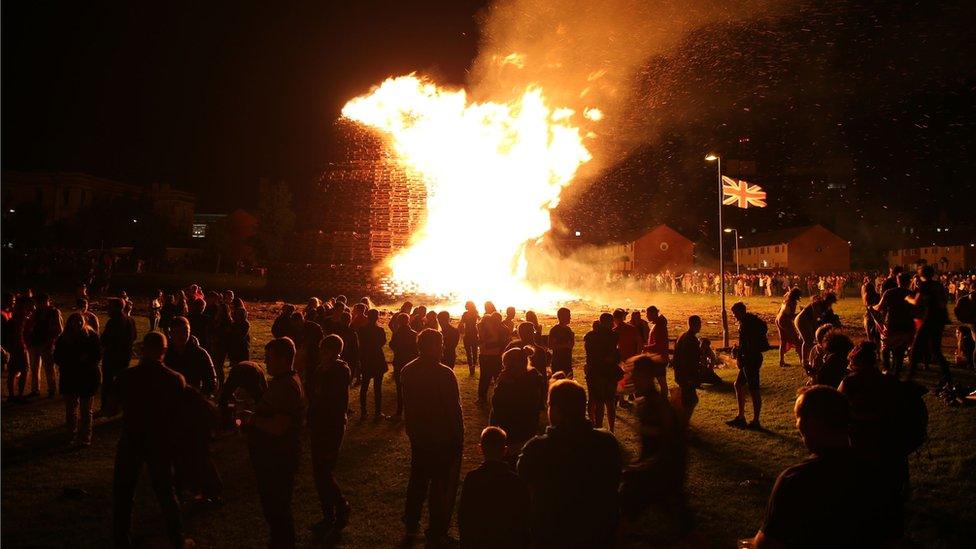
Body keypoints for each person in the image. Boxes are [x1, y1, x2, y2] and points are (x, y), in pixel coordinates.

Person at [753, 386, 903, 547]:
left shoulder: (796, 481)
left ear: (809, 424)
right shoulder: (880, 474)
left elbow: (766, 544)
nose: (796, 424)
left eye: (798, 417)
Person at [518, 380, 623, 548]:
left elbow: (525, 485)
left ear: (557, 410)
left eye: (549, 405)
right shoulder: (607, 443)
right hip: (598, 531)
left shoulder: (537, 449)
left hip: (553, 533)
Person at [110, 332, 189, 548]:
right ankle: (178, 539)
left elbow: (111, 409)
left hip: (131, 438)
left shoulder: (125, 377)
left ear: (143, 348)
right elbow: (180, 416)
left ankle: (121, 541)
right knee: (166, 493)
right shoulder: (175, 380)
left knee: (124, 495)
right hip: (159, 441)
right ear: (164, 351)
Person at [619, 357, 695, 541]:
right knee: (680, 520)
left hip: (662, 470)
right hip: (657, 469)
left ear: (646, 376)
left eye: (636, 374)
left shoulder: (658, 405)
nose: (632, 378)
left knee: (626, 503)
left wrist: (646, 466)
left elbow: (672, 439)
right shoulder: (646, 402)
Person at [400, 329, 464, 546]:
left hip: (418, 435)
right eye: (440, 343)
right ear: (431, 346)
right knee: (439, 485)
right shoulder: (444, 374)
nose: (443, 347)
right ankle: (436, 530)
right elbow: (453, 410)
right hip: (441, 437)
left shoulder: (407, 371)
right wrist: (458, 436)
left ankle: (411, 523)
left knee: (417, 480)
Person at [241, 337, 306, 549]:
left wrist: (252, 419)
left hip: (278, 458)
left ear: (284, 359)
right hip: (274, 456)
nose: (266, 363)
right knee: (275, 510)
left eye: (269, 358)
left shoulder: (286, 386)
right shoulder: (283, 381)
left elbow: (279, 426)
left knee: (277, 510)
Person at [306, 334, 352, 539]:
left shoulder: (340, 370)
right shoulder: (320, 369)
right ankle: (329, 515)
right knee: (319, 473)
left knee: (324, 470)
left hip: (331, 426)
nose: (322, 354)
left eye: (326, 351)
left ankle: (340, 508)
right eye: (321, 350)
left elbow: (332, 400)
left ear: (335, 352)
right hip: (318, 424)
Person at [458, 427, 530, 549]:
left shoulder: (473, 478)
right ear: (505, 451)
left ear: (480, 449)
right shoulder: (515, 481)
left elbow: (464, 514)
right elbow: (523, 517)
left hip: (479, 541)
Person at [53, 312, 102, 446]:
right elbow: (57, 357)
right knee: (71, 409)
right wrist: (74, 360)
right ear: (70, 323)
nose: (79, 324)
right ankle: (71, 435)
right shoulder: (63, 338)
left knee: (86, 410)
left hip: (87, 377)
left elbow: (97, 355)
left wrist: (86, 360)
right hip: (70, 377)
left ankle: (86, 436)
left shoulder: (91, 336)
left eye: (81, 321)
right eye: (76, 321)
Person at [490, 347, 545, 464]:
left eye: (506, 367)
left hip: (514, 434)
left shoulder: (518, 386)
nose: (504, 370)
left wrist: (502, 386)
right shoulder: (533, 380)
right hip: (527, 432)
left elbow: (498, 407)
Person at [906, 265, 952, 384]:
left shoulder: (925, 285)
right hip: (940, 319)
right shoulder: (938, 285)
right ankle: (947, 375)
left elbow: (916, 301)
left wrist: (907, 298)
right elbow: (943, 301)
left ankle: (911, 374)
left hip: (930, 318)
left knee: (916, 347)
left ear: (922, 275)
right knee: (936, 349)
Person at [726, 302, 769, 430]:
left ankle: (755, 421)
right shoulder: (752, 320)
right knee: (738, 384)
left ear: (740, 311)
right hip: (753, 357)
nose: (734, 316)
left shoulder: (746, 324)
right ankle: (741, 417)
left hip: (750, 358)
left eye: (735, 313)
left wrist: (739, 358)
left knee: (754, 389)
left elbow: (744, 344)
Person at [873, 272, 915, 376]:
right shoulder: (911, 293)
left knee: (886, 347)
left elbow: (879, 307)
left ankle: (886, 369)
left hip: (891, 323)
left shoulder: (889, 292)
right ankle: (897, 372)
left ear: (897, 281)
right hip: (906, 324)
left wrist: (871, 307)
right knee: (900, 349)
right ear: (909, 282)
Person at [100, 298, 137, 415]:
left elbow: (104, 340)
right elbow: (134, 336)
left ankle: (106, 407)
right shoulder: (130, 320)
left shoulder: (113, 322)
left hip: (112, 357)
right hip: (125, 357)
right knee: (121, 382)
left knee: (107, 383)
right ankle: (119, 406)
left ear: (116, 308)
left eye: (109, 307)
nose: (107, 309)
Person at [584, 314, 621, 431]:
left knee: (598, 401)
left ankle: (598, 428)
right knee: (610, 402)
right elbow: (616, 354)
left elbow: (589, 355)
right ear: (610, 322)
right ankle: (611, 429)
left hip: (596, 371)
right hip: (609, 371)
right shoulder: (614, 335)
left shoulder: (591, 336)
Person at [165, 316, 218, 396]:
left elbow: (211, 380)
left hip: (192, 399)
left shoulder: (200, 353)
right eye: (177, 332)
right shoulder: (163, 353)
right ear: (170, 333)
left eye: (185, 332)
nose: (181, 336)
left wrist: (200, 396)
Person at [28, 293, 63, 397]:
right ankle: (35, 390)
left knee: (48, 368)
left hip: (46, 343)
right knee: (35, 368)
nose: (38, 304)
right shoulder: (37, 311)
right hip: (36, 342)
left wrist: (51, 341)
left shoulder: (54, 312)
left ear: (47, 301)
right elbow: (30, 325)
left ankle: (51, 390)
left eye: (40, 302)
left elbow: (59, 329)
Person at [357, 309, 387, 419]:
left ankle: (364, 411)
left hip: (366, 359)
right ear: (377, 317)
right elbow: (382, 342)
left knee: (364, 386)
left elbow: (361, 342)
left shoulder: (362, 330)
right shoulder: (380, 330)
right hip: (377, 358)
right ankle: (378, 412)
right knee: (377, 387)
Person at [794, 292, 838, 369]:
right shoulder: (817, 304)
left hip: (807, 320)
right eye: (830, 301)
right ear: (827, 299)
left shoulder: (826, 306)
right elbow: (815, 319)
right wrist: (817, 330)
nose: (831, 304)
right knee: (808, 340)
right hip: (802, 320)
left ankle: (804, 359)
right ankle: (804, 361)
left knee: (806, 340)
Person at [671, 315, 702, 423]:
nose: (700, 326)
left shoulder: (682, 336)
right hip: (687, 375)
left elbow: (676, 357)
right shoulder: (691, 339)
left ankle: (682, 421)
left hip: (681, 374)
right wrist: (690, 377)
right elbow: (689, 360)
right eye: (699, 324)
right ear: (694, 325)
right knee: (690, 400)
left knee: (688, 399)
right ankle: (682, 422)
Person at [390, 312, 418, 420]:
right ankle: (411, 412)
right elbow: (416, 349)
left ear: (399, 322)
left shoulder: (396, 334)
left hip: (399, 361)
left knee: (399, 388)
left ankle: (399, 412)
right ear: (408, 321)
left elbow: (392, 345)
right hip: (410, 362)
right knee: (411, 387)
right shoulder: (413, 333)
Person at [5, 297, 32, 401]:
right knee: (25, 369)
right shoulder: (23, 318)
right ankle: (19, 395)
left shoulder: (12, 319)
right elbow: (23, 334)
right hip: (21, 347)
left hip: (13, 347)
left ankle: (12, 395)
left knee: (12, 371)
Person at [477, 312, 505, 405]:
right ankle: (484, 397)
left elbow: (483, 342)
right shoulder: (488, 328)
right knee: (489, 376)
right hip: (490, 355)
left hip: (490, 355)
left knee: (488, 377)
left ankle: (485, 397)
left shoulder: (498, 328)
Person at [643, 306, 670, 397]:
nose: (646, 316)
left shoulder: (659, 326)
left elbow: (658, 345)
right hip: (657, 357)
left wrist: (646, 348)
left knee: (661, 381)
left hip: (659, 358)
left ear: (653, 313)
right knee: (658, 381)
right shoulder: (658, 325)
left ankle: (663, 401)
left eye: (647, 314)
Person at [775, 288, 802, 367]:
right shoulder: (793, 302)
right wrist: (800, 313)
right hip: (784, 320)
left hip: (778, 319)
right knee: (797, 341)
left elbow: (779, 310)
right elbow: (791, 316)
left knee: (783, 341)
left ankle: (781, 361)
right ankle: (802, 360)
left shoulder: (785, 300)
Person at [548, 307, 575, 378]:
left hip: (567, 363)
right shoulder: (555, 330)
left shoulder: (568, 329)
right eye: (568, 316)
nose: (570, 318)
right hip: (558, 363)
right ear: (562, 317)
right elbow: (550, 346)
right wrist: (565, 345)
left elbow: (571, 345)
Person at [458, 301, 480, 375]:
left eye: (466, 305)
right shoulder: (475, 313)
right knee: (474, 351)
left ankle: (471, 366)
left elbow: (461, 323)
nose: (465, 306)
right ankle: (473, 366)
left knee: (469, 352)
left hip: (468, 334)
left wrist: (460, 330)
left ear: (469, 306)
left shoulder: (466, 314)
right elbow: (479, 322)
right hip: (473, 333)